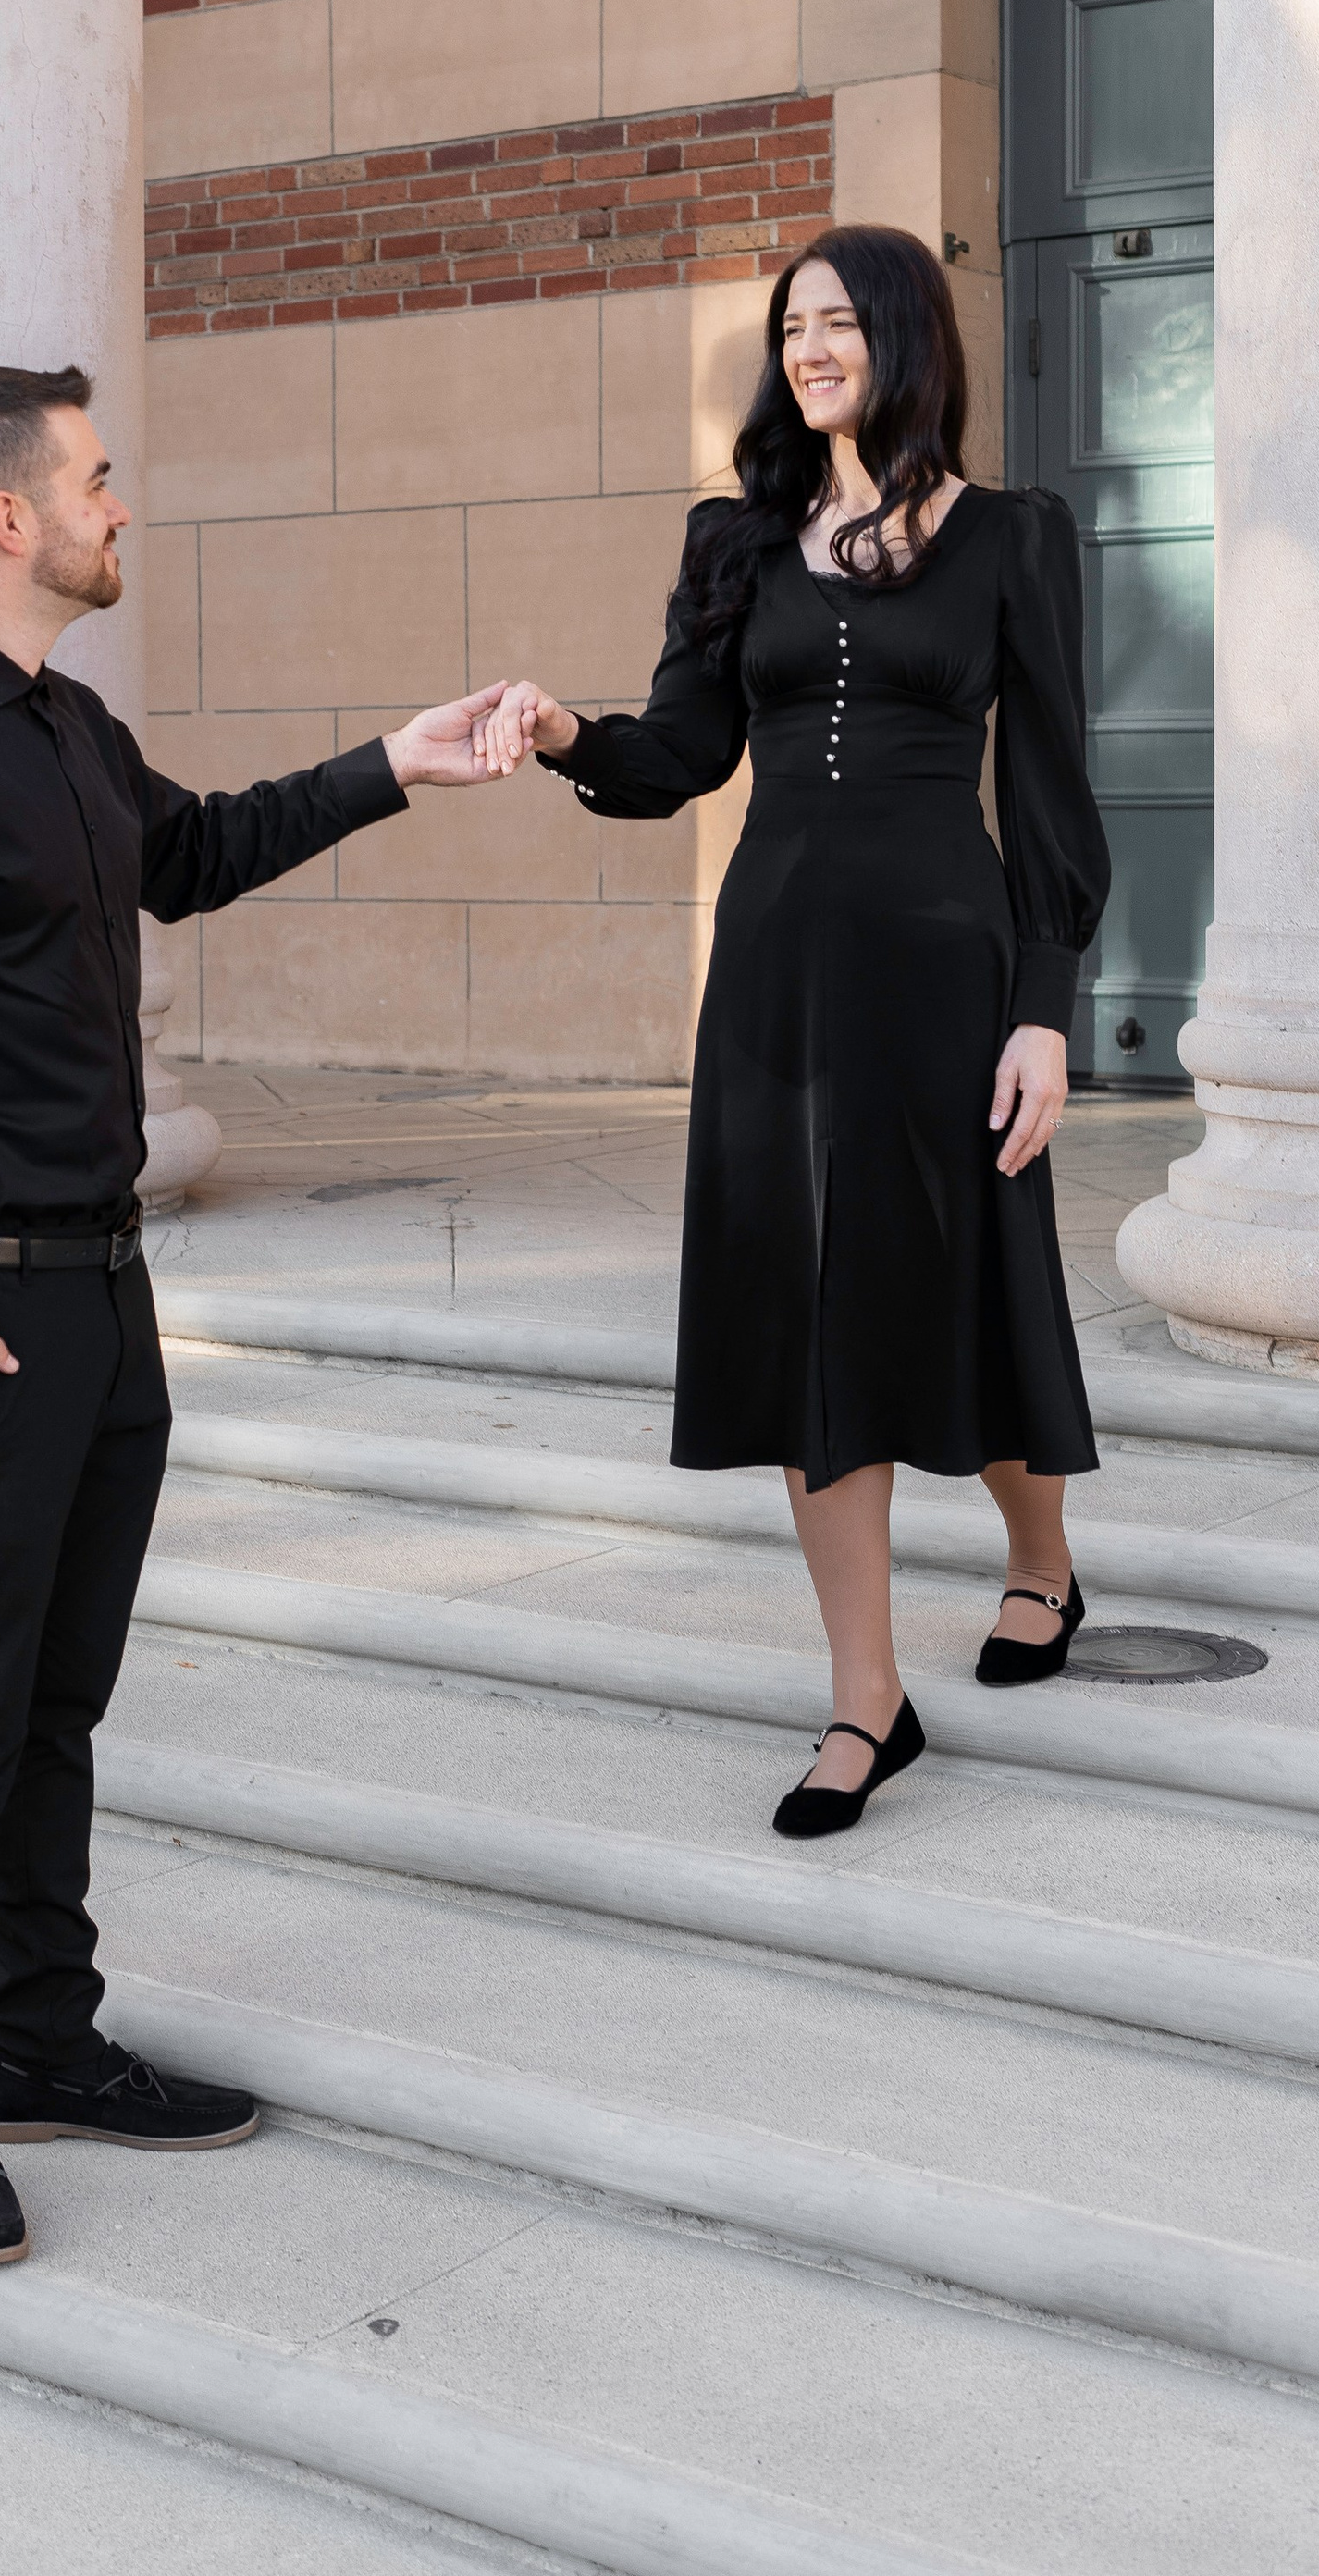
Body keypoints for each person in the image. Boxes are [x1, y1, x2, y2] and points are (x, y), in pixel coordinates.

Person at [0, 362, 512, 2269]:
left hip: (102, 1301)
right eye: (94, 477)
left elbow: (192, 850)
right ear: (6, 518)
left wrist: (393, 764)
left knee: (53, 1712)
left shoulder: (63, 729)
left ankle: (44, 2045)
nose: (119, 504)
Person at [480, 227, 1110, 1841]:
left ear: (906, 337)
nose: (810, 346)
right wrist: (568, 737)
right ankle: (866, 1700)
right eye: (792, 327)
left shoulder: (1014, 540)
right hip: (774, 965)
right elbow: (683, 750)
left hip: (946, 966)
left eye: (837, 320)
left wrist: (1044, 1013)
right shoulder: (736, 539)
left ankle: (1042, 1564)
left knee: (957, 1275)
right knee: (808, 1301)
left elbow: (1047, 797)